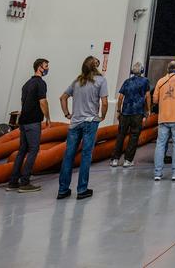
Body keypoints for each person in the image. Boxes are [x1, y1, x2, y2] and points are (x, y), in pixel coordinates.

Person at [57, 56, 108, 200]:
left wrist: (67, 114)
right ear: (95, 66)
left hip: (75, 123)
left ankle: (63, 189)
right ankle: (82, 189)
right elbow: (104, 102)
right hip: (90, 122)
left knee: (68, 156)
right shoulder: (101, 80)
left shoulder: (77, 81)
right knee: (86, 155)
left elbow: (62, 98)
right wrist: (102, 116)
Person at [9, 58, 51, 193]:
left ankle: (13, 182)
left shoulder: (26, 84)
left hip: (23, 121)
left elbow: (23, 103)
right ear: (39, 67)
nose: (47, 69)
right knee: (34, 150)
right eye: (46, 66)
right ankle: (25, 182)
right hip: (33, 122)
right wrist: (48, 118)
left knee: (22, 150)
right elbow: (43, 102)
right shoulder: (40, 83)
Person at [112, 62, 151, 168]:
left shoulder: (127, 81)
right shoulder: (145, 81)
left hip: (125, 113)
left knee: (121, 135)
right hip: (137, 114)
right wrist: (148, 110)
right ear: (142, 70)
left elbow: (120, 98)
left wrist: (119, 111)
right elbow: (147, 96)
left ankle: (115, 159)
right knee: (134, 137)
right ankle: (127, 161)